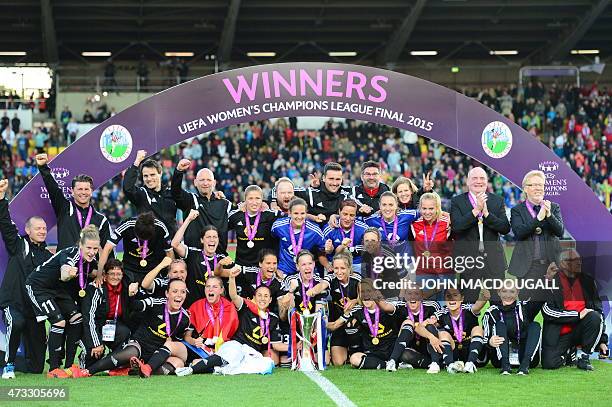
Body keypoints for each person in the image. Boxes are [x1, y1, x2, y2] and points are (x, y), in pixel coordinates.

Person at [71, 279, 192, 378]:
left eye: (182, 292)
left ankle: (134, 371)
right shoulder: (156, 303)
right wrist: (131, 294)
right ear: (167, 293)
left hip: (158, 353)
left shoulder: (185, 318)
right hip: (140, 344)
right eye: (175, 291)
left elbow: (177, 340)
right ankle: (88, 371)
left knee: (178, 364)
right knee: (131, 352)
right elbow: (135, 306)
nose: (179, 295)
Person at [25, 225, 100, 377]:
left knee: (77, 319)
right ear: (80, 245)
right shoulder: (71, 254)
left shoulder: (90, 259)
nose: (92, 252)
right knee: (59, 322)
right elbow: (65, 273)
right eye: (89, 248)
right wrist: (69, 273)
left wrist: (102, 275)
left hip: (58, 290)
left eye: (95, 248)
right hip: (38, 287)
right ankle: (53, 368)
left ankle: (69, 365)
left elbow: (93, 272)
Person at [0, 179, 52, 378]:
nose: (42, 231)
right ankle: (9, 366)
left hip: (34, 309)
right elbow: (5, 222)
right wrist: (2, 198)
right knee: (17, 322)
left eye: (44, 228)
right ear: (28, 230)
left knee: (37, 367)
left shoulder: (48, 256)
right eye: (38, 228)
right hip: (13, 302)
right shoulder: (18, 245)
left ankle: (23, 363)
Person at [450, 167, 510, 303]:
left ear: (487, 181)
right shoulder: (457, 201)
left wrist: (487, 214)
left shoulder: (497, 201)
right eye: (474, 178)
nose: (478, 181)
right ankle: (470, 325)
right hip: (469, 261)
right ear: (467, 182)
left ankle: (496, 324)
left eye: (482, 178)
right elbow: (457, 227)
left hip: (494, 260)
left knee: (499, 302)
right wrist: (476, 210)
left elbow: (505, 228)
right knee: (468, 302)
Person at [541, 249, 607, 371]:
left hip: (581, 329)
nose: (579, 263)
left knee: (594, 315)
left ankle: (584, 357)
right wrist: (577, 315)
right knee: (549, 364)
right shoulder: (551, 281)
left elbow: (598, 310)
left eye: (579, 260)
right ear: (562, 263)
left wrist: (602, 340)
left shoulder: (588, 281)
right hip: (560, 332)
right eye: (574, 260)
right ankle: (569, 352)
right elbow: (547, 311)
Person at [35, 153, 112, 251]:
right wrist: (43, 167)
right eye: (79, 189)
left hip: (88, 266)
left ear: (91, 191)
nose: (83, 192)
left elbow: (108, 250)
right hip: (65, 265)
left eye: (86, 189)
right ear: (72, 191)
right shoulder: (64, 208)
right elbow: (53, 188)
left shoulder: (101, 220)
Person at [508, 170, 564, 302]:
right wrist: (539, 218)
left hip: (551, 266)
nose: (539, 188)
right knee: (525, 308)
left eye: (541, 185)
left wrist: (549, 214)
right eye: (534, 185)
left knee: (554, 306)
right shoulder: (517, 210)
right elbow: (519, 233)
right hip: (528, 268)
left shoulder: (554, 207)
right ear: (525, 189)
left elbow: (560, 231)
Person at [340, 279, 412, 371]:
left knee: (408, 323)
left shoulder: (386, 306)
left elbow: (389, 308)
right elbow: (336, 324)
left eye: (369, 291)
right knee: (354, 359)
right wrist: (345, 316)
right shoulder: (357, 311)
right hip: (373, 352)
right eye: (362, 292)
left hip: (392, 349)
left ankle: (393, 359)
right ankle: (388, 364)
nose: (366, 295)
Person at [172, 210, 235, 307]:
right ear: (202, 240)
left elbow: (234, 272)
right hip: (193, 306)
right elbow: (175, 244)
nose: (212, 240)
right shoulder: (193, 254)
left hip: (214, 309)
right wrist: (188, 219)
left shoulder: (223, 259)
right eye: (208, 237)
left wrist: (222, 268)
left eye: (215, 237)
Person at [80, 259, 134, 371]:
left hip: (113, 325)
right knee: (92, 359)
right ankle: (86, 361)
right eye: (112, 273)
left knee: (124, 332)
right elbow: (89, 318)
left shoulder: (125, 287)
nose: (115, 277)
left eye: (119, 274)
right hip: (95, 326)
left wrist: (135, 284)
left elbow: (136, 277)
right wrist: (96, 343)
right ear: (105, 275)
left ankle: (114, 364)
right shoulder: (96, 289)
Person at [311, 252, 361, 366]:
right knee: (338, 362)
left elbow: (364, 297)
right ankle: (346, 353)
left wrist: (355, 301)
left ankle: (355, 350)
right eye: (336, 268)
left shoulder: (357, 278)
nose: (339, 272)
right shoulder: (331, 277)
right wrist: (313, 291)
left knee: (352, 324)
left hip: (354, 323)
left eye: (342, 268)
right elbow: (322, 285)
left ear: (349, 268)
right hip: (337, 323)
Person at [171, 159, 231, 253]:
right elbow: (175, 192)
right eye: (202, 180)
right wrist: (179, 171)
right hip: (194, 260)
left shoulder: (225, 204)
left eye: (208, 180)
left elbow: (243, 212)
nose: (205, 183)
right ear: (195, 182)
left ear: (214, 183)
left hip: (219, 260)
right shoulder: (190, 201)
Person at [98, 212, 173, 285]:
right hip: (129, 269)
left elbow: (169, 253)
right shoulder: (127, 225)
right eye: (140, 238)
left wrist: (171, 275)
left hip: (153, 269)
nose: (143, 241)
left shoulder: (160, 227)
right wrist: (99, 274)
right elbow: (107, 248)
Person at [482, 283, 542, 375]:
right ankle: (505, 367)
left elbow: (540, 295)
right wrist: (489, 342)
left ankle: (524, 366)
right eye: (504, 291)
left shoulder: (524, 307)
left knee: (535, 325)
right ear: (499, 292)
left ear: (517, 292)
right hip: (500, 359)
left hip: (525, 357)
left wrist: (548, 279)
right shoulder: (491, 312)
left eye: (512, 291)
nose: (508, 295)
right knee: (500, 325)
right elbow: (485, 337)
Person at [123, 150, 178, 236]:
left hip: (171, 245)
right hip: (151, 245)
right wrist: (137, 162)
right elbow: (127, 188)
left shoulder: (171, 193)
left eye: (152, 175)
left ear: (160, 173)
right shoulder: (142, 194)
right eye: (145, 176)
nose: (149, 179)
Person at [434, 288, 490, 374]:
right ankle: (450, 365)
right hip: (454, 352)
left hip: (473, 353)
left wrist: (484, 296)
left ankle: (470, 364)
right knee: (442, 333)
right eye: (448, 296)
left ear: (462, 298)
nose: (452, 299)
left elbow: (477, 306)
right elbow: (427, 324)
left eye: (455, 295)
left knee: (477, 329)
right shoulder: (441, 313)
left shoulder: (467, 308)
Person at [410, 192, 453, 300]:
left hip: (444, 273)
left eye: (431, 208)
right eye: (424, 208)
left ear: (438, 208)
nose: (427, 212)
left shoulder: (447, 222)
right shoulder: (414, 224)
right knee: (426, 310)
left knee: (445, 309)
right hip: (423, 273)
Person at [271, 198, 328, 276]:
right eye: (296, 213)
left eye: (302, 213)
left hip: (305, 270)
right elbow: (272, 240)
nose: (299, 217)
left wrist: (329, 248)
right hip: (283, 270)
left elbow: (325, 249)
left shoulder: (315, 231)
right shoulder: (278, 226)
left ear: (306, 214)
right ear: (289, 213)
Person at [228, 185, 278, 267]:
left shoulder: (271, 215)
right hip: (241, 267)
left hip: (263, 268)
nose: (254, 202)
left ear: (262, 200)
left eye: (257, 198)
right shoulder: (236, 215)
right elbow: (220, 227)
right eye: (250, 198)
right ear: (245, 200)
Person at [397, 289, 443, 374]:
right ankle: (433, 363)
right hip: (412, 346)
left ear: (422, 296)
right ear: (405, 297)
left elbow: (439, 326)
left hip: (428, 345)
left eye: (416, 294)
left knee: (430, 326)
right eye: (410, 293)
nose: (413, 296)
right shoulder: (400, 308)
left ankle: (435, 362)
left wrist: (432, 323)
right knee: (402, 354)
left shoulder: (432, 306)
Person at [323, 200, 368, 275]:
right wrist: (328, 251)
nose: (348, 218)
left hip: (356, 263)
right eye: (345, 214)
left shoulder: (363, 229)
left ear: (355, 215)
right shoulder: (329, 229)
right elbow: (321, 253)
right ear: (339, 212)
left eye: (351, 215)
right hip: (335, 263)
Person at [278, 250, 327, 317]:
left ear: (314, 264)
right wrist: (290, 292)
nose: (307, 267)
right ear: (297, 267)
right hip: (293, 323)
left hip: (313, 322)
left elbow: (319, 315)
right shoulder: (289, 280)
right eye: (303, 264)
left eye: (310, 263)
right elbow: (282, 316)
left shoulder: (319, 283)